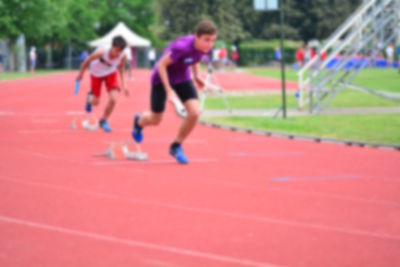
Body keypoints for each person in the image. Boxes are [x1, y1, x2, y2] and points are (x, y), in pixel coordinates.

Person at [132, 20, 218, 164]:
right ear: (196, 36)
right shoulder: (182, 47)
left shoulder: (206, 48)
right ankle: (139, 122)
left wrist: (196, 75)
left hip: (182, 77)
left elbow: (195, 57)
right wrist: (168, 90)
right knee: (156, 119)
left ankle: (176, 145)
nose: (210, 44)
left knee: (195, 112)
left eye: (213, 40)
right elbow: (161, 65)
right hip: (161, 78)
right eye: (207, 40)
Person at [76, 35, 129, 132]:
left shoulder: (123, 55)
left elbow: (121, 68)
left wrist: (124, 85)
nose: (118, 54)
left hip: (110, 72)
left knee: (114, 99)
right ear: (112, 46)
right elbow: (86, 61)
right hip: (96, 73)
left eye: (120, 51)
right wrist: (81, 75)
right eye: (116, 50)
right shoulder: (101, 52)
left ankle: (103, 120)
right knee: (96, 102)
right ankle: (89, 99)